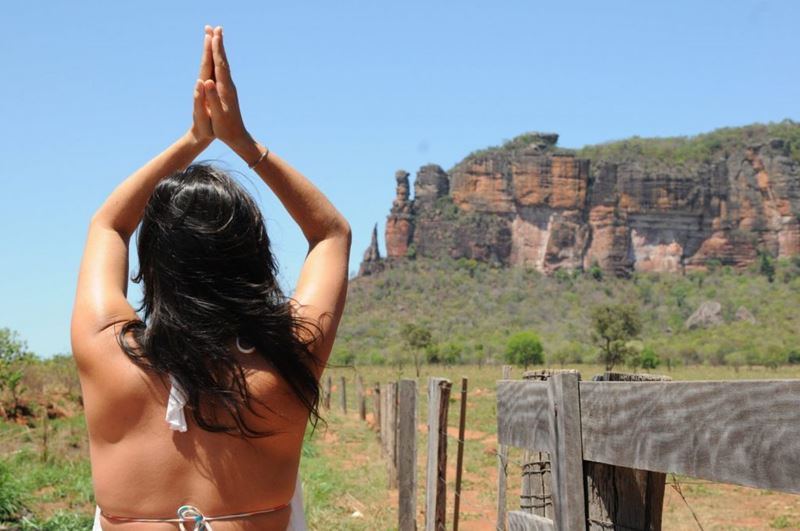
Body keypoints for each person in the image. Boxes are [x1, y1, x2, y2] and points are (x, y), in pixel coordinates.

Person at [70, 25, 351, 530]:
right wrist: (242, 142)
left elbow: (109, 224)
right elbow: (331, 233)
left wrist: (193, 139)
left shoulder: (106, 352)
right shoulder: (289, 360)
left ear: (153, 264)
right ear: (254, 259)